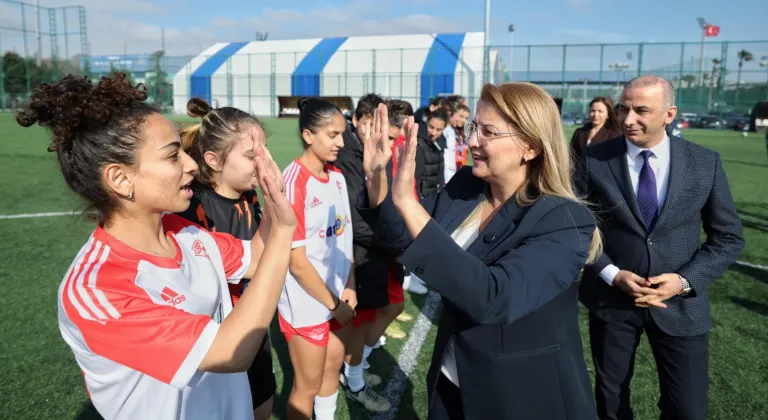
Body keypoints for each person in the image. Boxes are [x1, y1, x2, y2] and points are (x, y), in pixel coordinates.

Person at [19, 73, 295, 420]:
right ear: (121, 179)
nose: (192, 165)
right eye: (172, 156)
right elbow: (229, 352)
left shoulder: (186, 234)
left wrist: (273, 204)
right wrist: (284, 230)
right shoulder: (97, 289)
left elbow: (256, 258)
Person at [358, 83, 601, 419]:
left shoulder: (563, 220)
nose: (472, 141)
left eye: (488, 132)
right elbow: (401, 235)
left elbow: (493, 299)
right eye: (474, 127)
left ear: (530, 146)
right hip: (451, 379)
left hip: (519, 397)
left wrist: (406, 201)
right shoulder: (467, 187)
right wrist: (376, 177)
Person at [576, 75, 745, 420]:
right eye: (623, 109)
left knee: (688, 410)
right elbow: (577, 229)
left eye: (641, 111)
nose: (627, 119)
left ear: (670, 114)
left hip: (681, 307)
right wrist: (611, 273)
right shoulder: (594, 160)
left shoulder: (704, 162)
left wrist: (682, 282)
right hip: (612, 302)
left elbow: (728, 236)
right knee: (611, 406)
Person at [176, 98, 276, 420]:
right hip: (214, 343)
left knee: (262, 405)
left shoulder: (250, 196)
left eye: (263, 153)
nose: (262, 163)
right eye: (251, 156)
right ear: (214, 160)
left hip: (254, 332)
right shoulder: (193, 210)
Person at [279, 97, 356, 420]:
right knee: (306, 387)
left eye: (341, 133)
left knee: (332, 366)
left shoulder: (336, 177)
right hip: (308, 304)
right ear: (308, 135)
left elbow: (345, 237)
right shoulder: (294, 181)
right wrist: (333, 304)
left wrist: (350, 285)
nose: (341, 142)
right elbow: (295, 261)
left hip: (337, 296)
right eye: (332, 134)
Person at [332, 92, 393, 412]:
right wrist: (386, 236)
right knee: (355, 320)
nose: (371, 130)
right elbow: (356, 215)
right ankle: (352, 380)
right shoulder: (346, 156)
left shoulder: (367, 151)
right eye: (366, 123)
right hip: (358, 249)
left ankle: (353, 372)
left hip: (370, 248)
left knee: (367, 316)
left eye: (376, 124)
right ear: (355, 121)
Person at [569, 96, 622, 162]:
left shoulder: (613, 135)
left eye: (600, 111)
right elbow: (572, 157)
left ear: (608, 115)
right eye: (593, 111)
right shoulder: (579, 132)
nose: (595, 114)